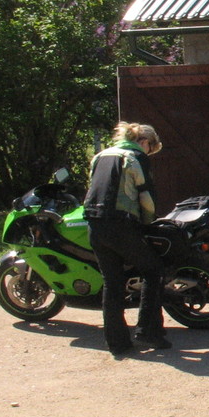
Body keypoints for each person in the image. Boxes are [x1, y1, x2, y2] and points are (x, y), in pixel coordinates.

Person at [83, 122, 169, 356]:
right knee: (153, 270)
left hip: (94, 225)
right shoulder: (135, 157)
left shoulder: (100, 156)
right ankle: (148, 331)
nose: (148, 153)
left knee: (112, 283)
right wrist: (149, 222)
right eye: (150, 149)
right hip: (121, 225)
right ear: (144, 142)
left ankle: (117, 343)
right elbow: (146, 197)